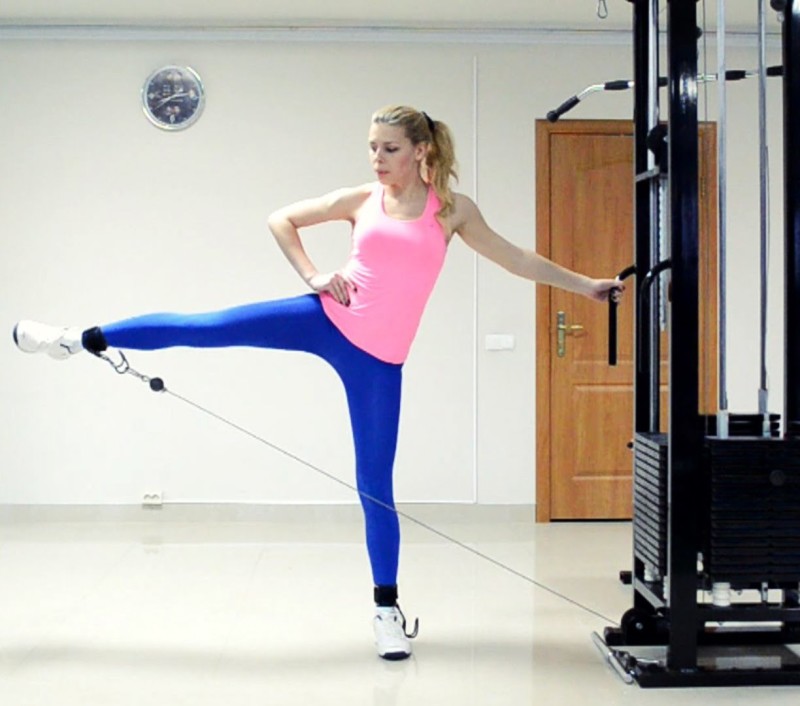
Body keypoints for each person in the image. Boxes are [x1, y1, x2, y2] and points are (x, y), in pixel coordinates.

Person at [12, 105, 623, 661]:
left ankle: (386, 612)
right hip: (326, 319)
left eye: (389, 148)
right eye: (372, 147)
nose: (376, 158)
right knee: (207, 327)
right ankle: (76, 338)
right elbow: (281, 219)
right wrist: (313, 275)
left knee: (375, 485)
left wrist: (586, 286)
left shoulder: (452, 210)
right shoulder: (362, 199)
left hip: (378, 362)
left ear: (421, 150)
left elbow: (515, 258)